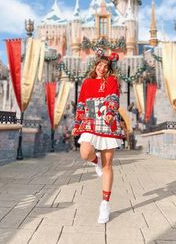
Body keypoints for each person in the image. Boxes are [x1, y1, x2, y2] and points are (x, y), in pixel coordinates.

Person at [72, 50, 124, 224]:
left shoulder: (111, 80)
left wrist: (110, 112)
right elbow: (81, 104)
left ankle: (105, 204)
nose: (102, 68)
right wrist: (77, 124)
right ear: (95, 66)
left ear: (108, 68)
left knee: (108, 164)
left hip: (107, 122)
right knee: (85, 152)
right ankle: (96, 162)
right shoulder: (87, 82)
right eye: (100, 65)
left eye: (105, 66)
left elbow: (114, 98)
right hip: (90, 121)